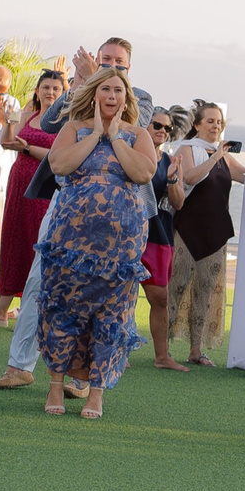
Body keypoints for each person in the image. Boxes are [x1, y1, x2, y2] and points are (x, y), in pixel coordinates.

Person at [0, 38, 146, 391]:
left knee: (100, 295)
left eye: (118, 63)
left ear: (129, 67)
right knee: (39, 280)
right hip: (67, 205)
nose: (111, 66)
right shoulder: (80, 90)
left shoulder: (140, 97)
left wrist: (100, 83)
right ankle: (19, 365)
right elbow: (47, 123)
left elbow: (136, 131)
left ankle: (83, 374)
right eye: (105, 59)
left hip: (118, 217)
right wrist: (81, 85)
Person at [34, 63, 158, 420]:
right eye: (105, 90)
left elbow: (142, 173)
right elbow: (60, 165)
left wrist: (116, 135)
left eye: (119, 91)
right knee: (62, 307)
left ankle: (97, 393)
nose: (112, 96)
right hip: (70, 242)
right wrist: (96, 134)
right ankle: (56, 386)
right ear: (94, 94)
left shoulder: (138, 135)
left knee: (111, 316)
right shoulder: (74, 128)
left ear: (126, 98)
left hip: (120, 247)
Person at [167, 101, 245, 365]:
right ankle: (162, 349)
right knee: (175, 286)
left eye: (219, 122)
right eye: (210, 121)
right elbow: (188, 177)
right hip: (187, 228)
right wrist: (214, 157)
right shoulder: (188, 149)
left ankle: (196, 350)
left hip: (216, 231)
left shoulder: (223, 154)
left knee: (205, 290)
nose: (215, 126)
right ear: (197, 125)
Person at [0, 66, 63, 326]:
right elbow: (7, 142)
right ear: (37, 90)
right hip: (19, 182)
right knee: (13, 238)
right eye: (46, 87)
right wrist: (9, 122)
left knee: (36, 241)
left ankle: (29, 308)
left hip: (44, 186)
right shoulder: (28, 115)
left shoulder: (64, 123)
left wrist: (29, 148)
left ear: (63, 93)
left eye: (56, 89)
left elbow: (57, 158)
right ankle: (1, 310)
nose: (50, 92)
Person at [140, 108, 189, 371]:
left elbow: (178, 203)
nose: (162, 131)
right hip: (131, 231)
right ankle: (114, 353)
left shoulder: (170, 161)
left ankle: (162, 357)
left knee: (160, 298)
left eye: (167, 128)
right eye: (156, 125)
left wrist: (172, 178)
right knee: (121, 295)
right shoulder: (131, 155)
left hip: (159, 234)